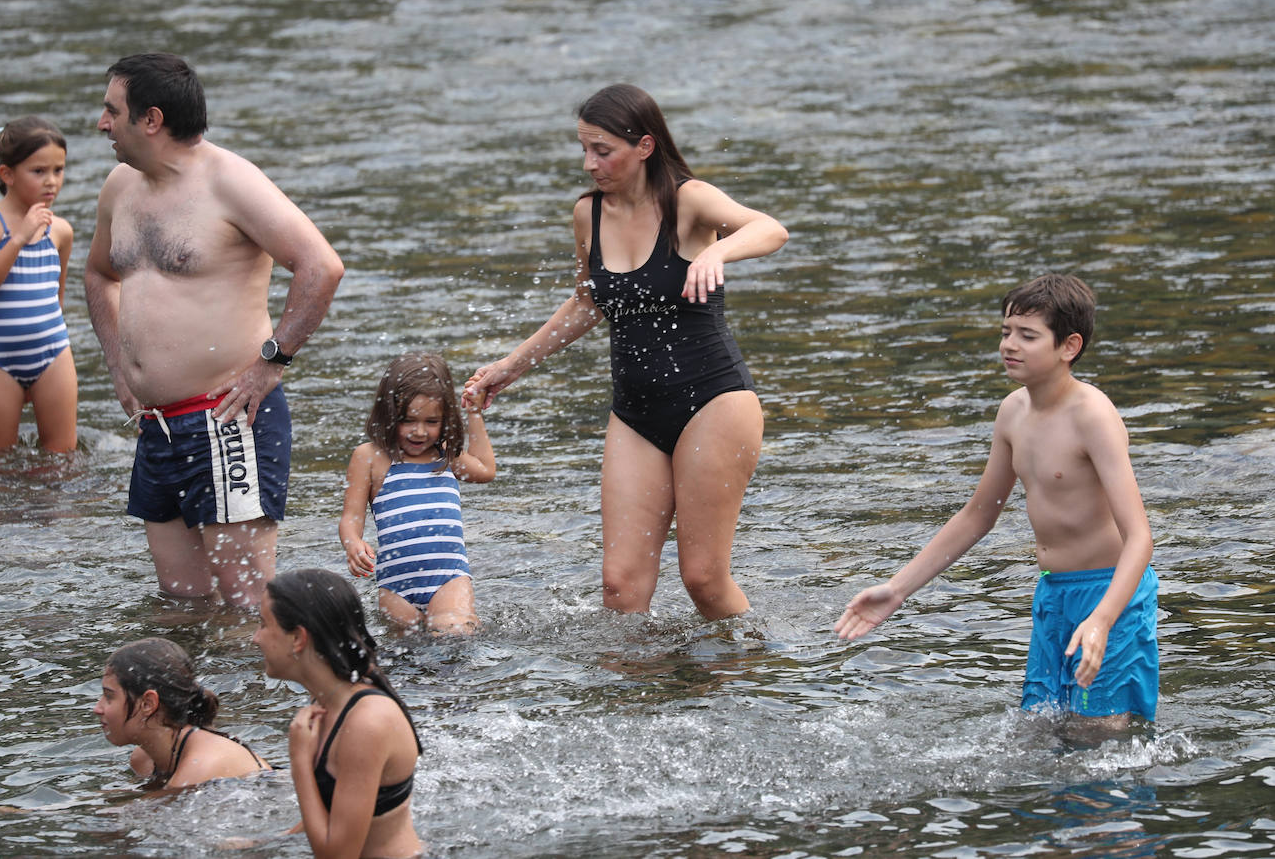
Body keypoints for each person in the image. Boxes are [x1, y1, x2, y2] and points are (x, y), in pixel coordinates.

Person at [464, 84, 788, 620]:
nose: (589, 163)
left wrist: (719, 253)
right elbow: (588, 302)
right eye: (584, 149)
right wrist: (510, 367)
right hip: (635, 412)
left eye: (603, 150)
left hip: (713, 401)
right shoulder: (589, 214)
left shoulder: (689, 200)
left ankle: (748, 678)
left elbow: (770, 229)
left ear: (644, 146)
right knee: (619, 587)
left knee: (703, 579)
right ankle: (634, 697)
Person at [835, 273, 1158, 725]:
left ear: (1069, 346)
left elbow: (1140, 537)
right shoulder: (1013, 413)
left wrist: (1103, 619)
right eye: (1006, 332)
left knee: (1101, 733)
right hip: (1053, 594)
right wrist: (897, 589)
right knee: (1042, 727)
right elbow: (978, 515)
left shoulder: (1093, 416)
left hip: (1111, 593)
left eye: (1028, 336)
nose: (1010, 345)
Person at [84, 53, 345, 607]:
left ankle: (268, 697)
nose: (101, 123)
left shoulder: (232, 183)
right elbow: (99, 273)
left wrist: (271, 362)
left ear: (150, 119)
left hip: (228, 420)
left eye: (112, 111)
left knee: (245, 609)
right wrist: (119, 368)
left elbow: (321, 266)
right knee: (182, 603)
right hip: (158, 427)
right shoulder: (119, 187)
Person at [255, 569, 423, 859]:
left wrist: (299, 764)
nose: (254, 638)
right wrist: (267, 844)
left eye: (262, 624)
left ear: (297, 638)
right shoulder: (330, 700)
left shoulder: (366, 723)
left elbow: (337, 856)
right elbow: (335, 806)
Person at [341, 351, 496, 634]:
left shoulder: (446, 453)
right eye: (408, 420)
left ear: (446, 417)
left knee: (454, 636)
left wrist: (474, 412)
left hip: (448, 579)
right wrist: (353, 543)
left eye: (432, 422)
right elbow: (351, 517)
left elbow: (485, 470)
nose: (419, 432)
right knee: (405, 657)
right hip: (395, 587)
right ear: (388, 413)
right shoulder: (369, 457)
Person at [0, 116, 78, 453]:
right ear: (7, 175)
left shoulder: (61, 230)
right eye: (39, 171)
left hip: (53, 355)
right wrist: (19, 238)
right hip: (0, 360)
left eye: (58, 170)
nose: (52, 182)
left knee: (60, 462)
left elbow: (57, 299)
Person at [94, 637, 270, 789]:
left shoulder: (203, 764)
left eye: (109, 696)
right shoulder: (144, 760)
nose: (97, 708)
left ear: (148, 704)